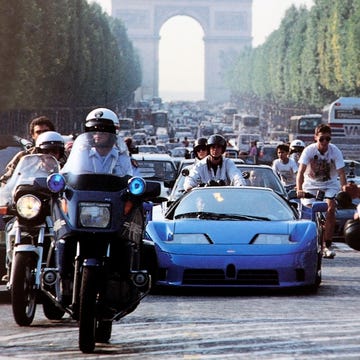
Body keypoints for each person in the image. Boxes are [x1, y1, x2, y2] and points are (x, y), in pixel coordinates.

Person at [2, 131, 65, 284]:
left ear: (60, 152)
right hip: (31, 209)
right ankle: (11, 264)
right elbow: (9, 180)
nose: (50, 155)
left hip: (54, 212)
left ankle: (63, 271)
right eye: (45, 151)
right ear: (38, 151)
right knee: (11, 228)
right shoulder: (27, 164)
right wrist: (5, 195)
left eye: (54, 151)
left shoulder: (66, 167)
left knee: (63, 236)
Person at [296, 124, 347, 259]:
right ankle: (307, 243)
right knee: (308, 213)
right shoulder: (309, 151)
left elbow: (341, 173)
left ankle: (327, 245)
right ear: (315, 138)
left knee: (330, 209)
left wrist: (344, 190)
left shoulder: (335, 151)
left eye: (327, 139)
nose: (325, 142)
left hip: (329, 184)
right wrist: (299, 189)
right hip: (311, 185)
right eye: (322, 139)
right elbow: (300, 172)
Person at [61, 108, 133, 176]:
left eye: (103, 130)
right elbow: (65, 175)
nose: (98, 134)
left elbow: (133, 180)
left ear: (113, 133)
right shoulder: (81, 155)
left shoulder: (122, 158)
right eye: (93, 131)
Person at [0, 116, 56, 185]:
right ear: (33, 135)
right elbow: (6, 180)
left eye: (45, 131)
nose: (42, 135)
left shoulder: (64, 155)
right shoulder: (23, 157)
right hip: (29, 193)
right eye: (38, 132)